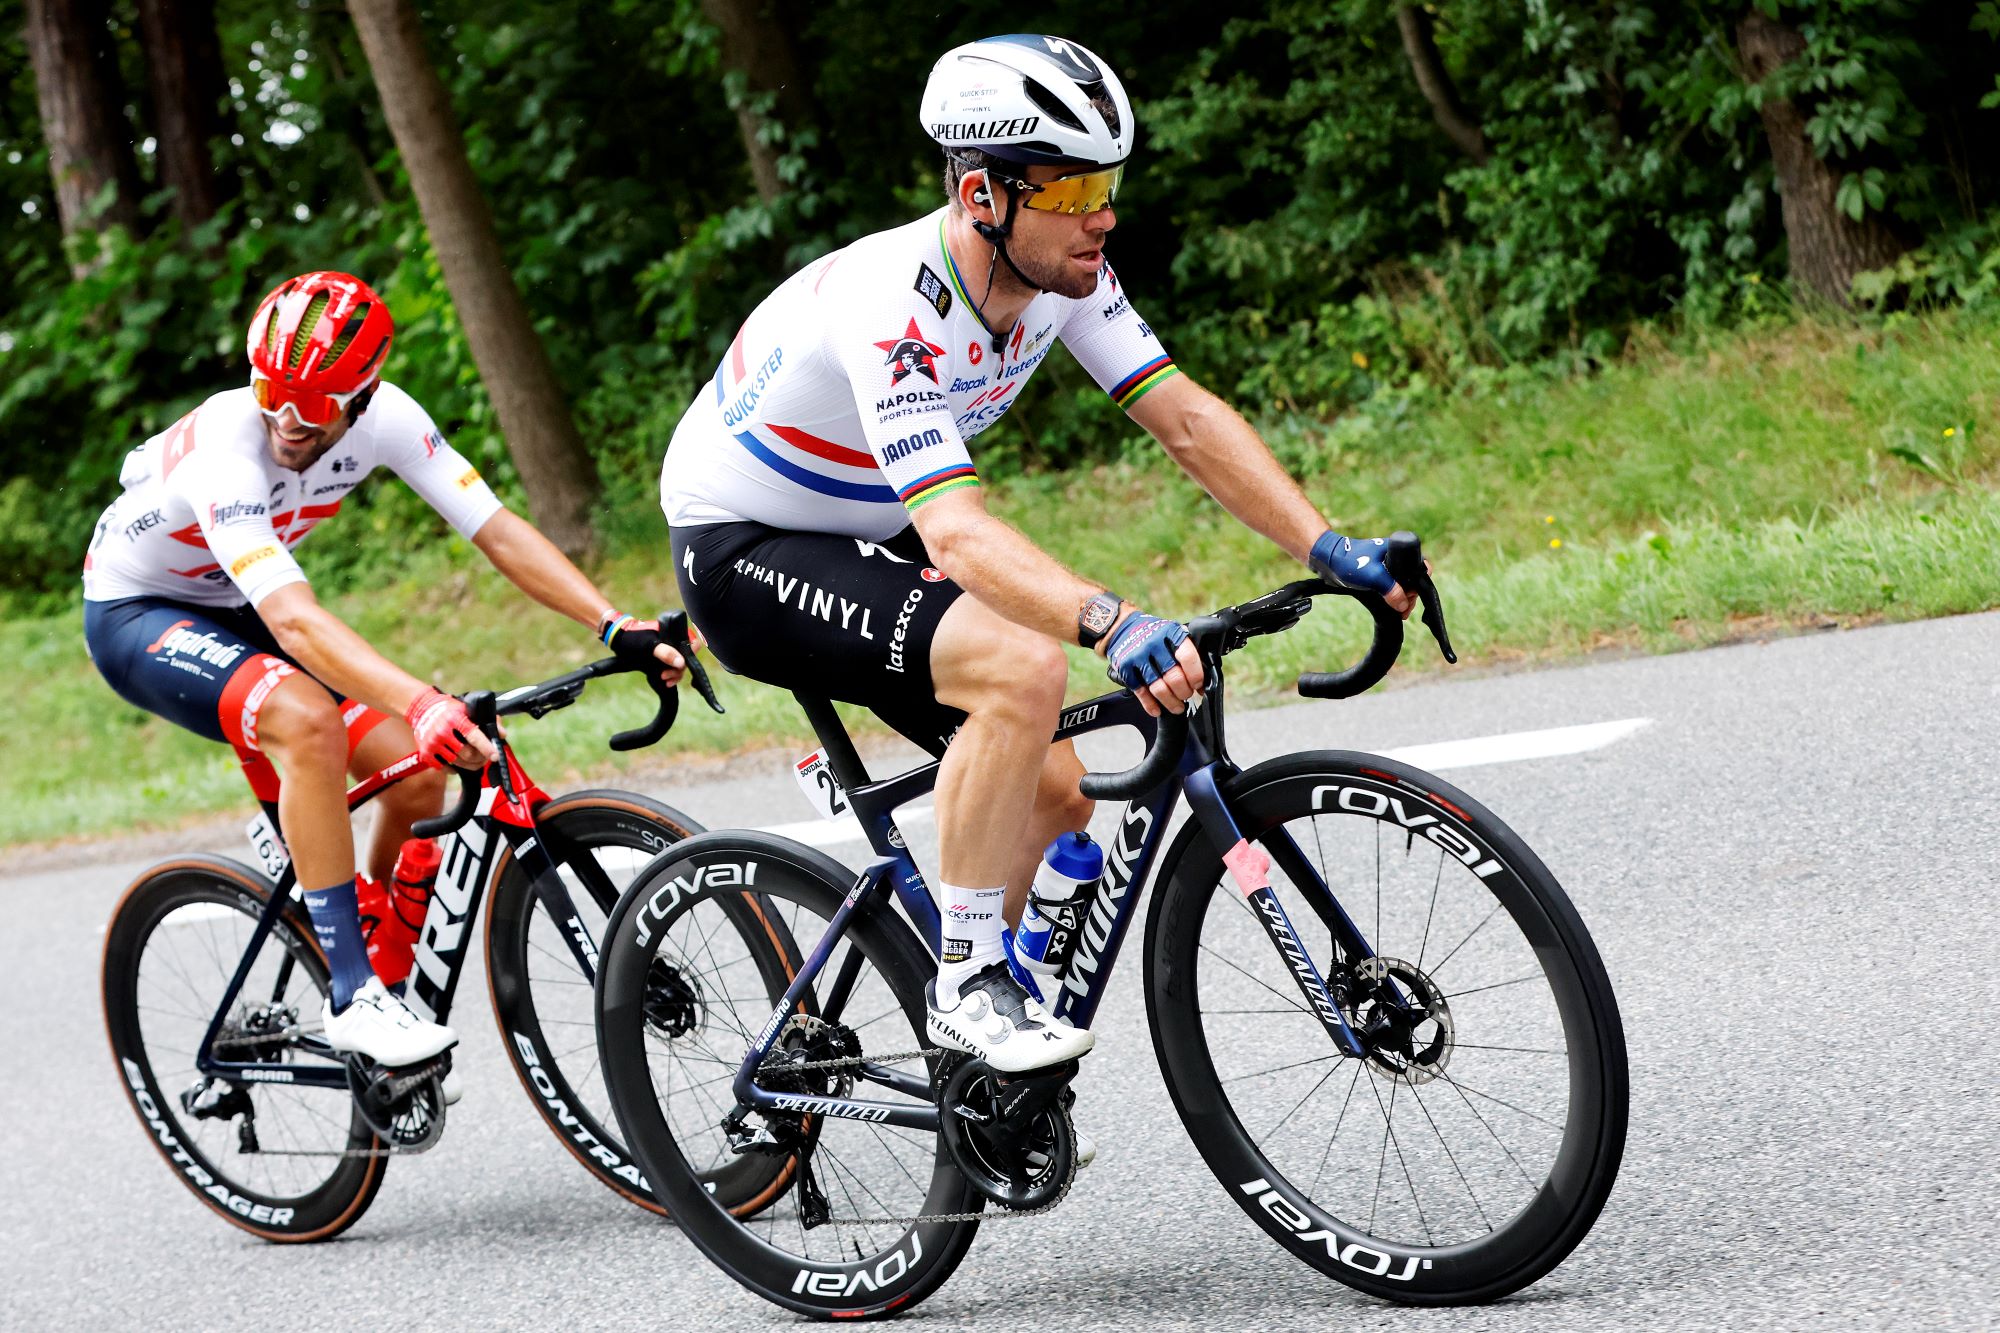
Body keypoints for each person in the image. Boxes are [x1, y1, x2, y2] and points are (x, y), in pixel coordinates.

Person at [660, 35, 1419, 1075]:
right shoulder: (896, 305)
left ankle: (975, 1049)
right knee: (1023, 670)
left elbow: (1186, 420)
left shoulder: (1067, 274)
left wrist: (1328, 545)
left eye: (1106, 181)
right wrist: (1112, 619)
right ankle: (966, 986)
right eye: (1071, 187)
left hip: (863, 530)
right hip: (743, 547)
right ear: (982, 194)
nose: (1102, 213)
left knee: (1058, 792)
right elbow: (956, 531)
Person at [84, 270, 690, 1074]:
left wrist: (613, 621)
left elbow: (496, 528)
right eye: (273, 390)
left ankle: (380, 959)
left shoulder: (390, 419)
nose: (289, 423)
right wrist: (423, 698)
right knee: (304, 718)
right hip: (140, 612)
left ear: (363, 398)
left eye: (318, 406)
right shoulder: (228, 452)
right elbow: (295, 621)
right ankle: (353, 994)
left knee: (414, 769)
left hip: (241, 600)